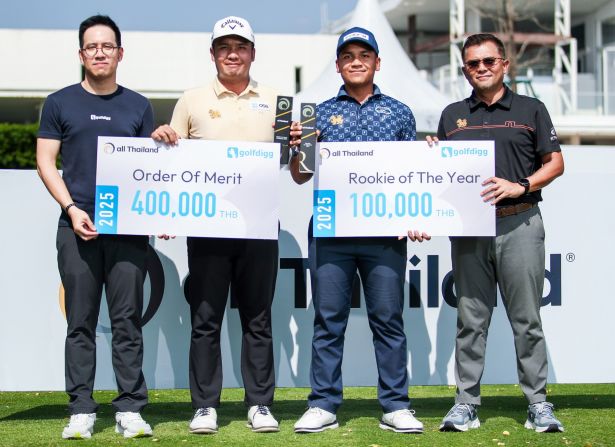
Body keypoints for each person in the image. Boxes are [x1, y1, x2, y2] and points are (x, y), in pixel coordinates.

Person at [289, 27, 429, 434]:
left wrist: (415, 214)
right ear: (337, 65)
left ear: (377, 63)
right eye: (347, 55)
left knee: (388, 320)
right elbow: (300, 175)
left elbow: (412, 174)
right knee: (328, 320)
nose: (356, 61)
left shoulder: (400, 112)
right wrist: (302, 148)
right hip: (331, 232)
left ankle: (395, 405)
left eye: (364, 55)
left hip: (385, 235)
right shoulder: (317, 114)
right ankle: (323, 404)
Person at [428, 33, 565, 433]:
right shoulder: (452, 115)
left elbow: (555, 163)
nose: (482, 68)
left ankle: (538, 403)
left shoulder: (531, 109)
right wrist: (432, 156)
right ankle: (466, 404)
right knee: (471, 320)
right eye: (473, 63)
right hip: (469, 229)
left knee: (527, 319)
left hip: (519, 221)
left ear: (505, 64)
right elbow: (441, 176)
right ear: (465, 69)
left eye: (489, 61)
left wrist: (521, 185)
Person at [151, 16, 279, 434]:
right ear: (212, 54)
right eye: (224, 47)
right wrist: (164, 138)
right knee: (205, 318)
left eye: (240, 46)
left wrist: (300, 145)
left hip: (258, 226)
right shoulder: (191, 100)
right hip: (207, 228)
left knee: (258, 318)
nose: (232, 54)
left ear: (252, 53)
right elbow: (173, 161)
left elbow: (295, 165)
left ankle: (259, 403)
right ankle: (205, 405)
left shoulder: (276, 100)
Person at [36, 15, 154, 440]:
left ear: (120, 53)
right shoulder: (59, 103)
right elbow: (45, 162)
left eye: (107, 46)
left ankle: (130, 409)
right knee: (80, 323)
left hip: (128, 230)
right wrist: (71, 209)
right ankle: (81, 409)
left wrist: (160, 214)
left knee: (127, 322)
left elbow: (150, 168)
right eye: (92, 46)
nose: (100, 53)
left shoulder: (139, 106)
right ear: (81, 54)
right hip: (77, 227)